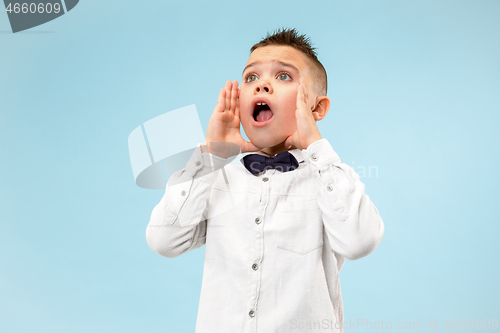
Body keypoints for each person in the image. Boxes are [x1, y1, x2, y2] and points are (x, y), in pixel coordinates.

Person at [146, 28, 384, 333]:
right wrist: (210, 156)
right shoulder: (214, 179)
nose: (262, 86)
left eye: (283, 76)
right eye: (251, 78)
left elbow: (360, 241)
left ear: (317, 108)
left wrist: (317, 148)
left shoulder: (332, 179)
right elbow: (163, 241)